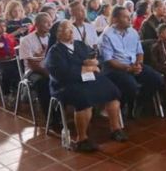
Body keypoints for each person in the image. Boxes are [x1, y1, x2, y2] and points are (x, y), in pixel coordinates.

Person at [45, 20, 128, 152]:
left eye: (71, 28)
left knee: (112, 91)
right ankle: (82, 138)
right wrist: (86, 68)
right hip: (66, 84)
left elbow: (95, 57)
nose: (71, 32)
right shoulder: (54, 52)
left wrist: (93, 61)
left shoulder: (79, 44)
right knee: (84, 99)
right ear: (58, 34)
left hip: (88, 79)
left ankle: (115, 128)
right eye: (67, 29)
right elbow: (62, 74)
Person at [99, 6, 163, 117]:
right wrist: (128, 68)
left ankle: (139, 102)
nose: (129, 19)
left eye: (129, 17)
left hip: (133, 65)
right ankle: (122, 106)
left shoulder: (133, 32)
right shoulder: (107, 35)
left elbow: (140, 52)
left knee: (157, 79)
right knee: (131, 86)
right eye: (125, 17)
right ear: (115, 19)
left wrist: (138, 64)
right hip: (116, 68)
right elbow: (109, 60)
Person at [18, 12, 52, 122]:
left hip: (49, 67)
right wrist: (47, 73)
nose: (49, 25)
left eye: (50, 23)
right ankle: (49, 116)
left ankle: (62, 109)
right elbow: (32, 64)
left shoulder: (51, 37)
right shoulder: (26, 40)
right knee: (42, 82)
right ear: (36, 24)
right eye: (45, 23)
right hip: (33, 71)